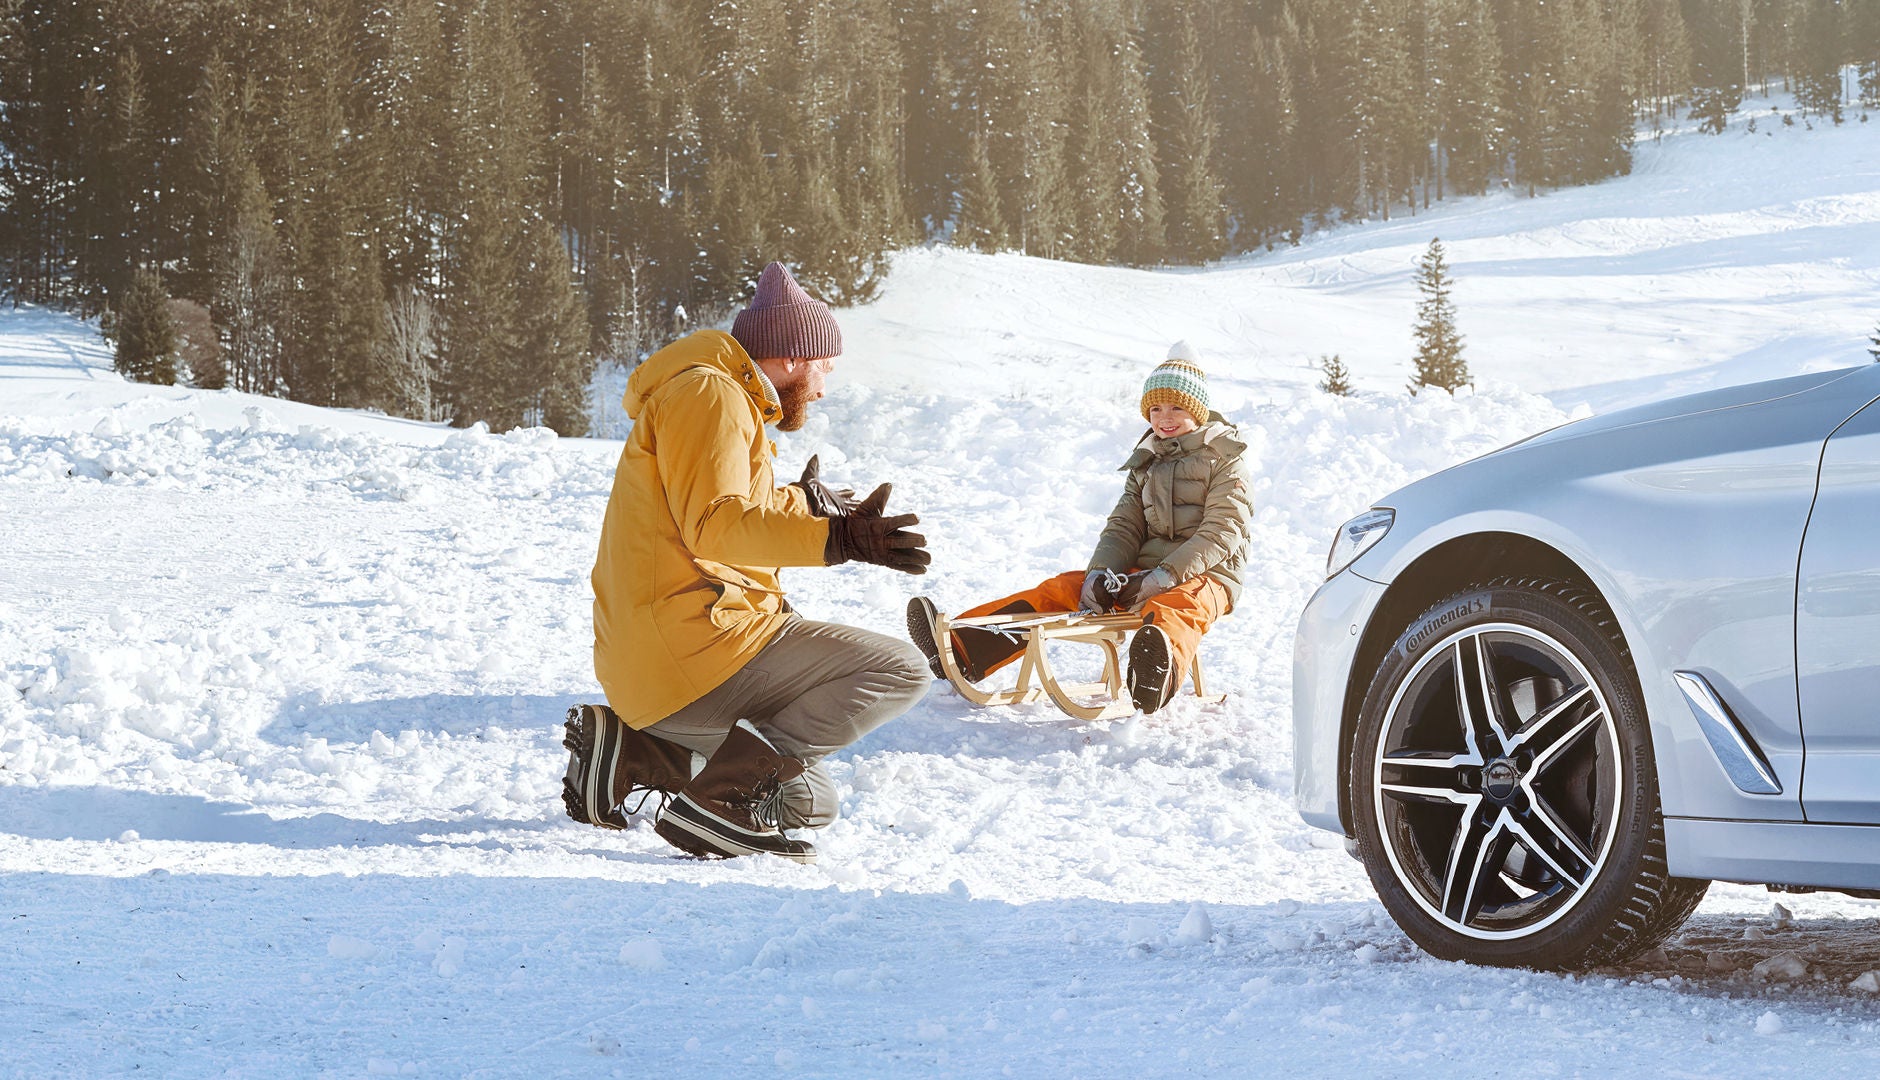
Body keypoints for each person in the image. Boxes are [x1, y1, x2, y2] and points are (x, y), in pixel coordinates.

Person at [564, 261, 932, 864]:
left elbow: (723, 502)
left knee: (812, 803)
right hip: (692, 645)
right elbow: (715, 525)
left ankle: (634, 754)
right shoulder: (708, 394)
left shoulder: (712, 395)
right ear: (791, 356)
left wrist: (805, 503)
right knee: (900, 670)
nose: (825, 381)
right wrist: (838, 541)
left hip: (663, 655)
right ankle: (720, 803)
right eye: (824, 364)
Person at [906, 344, 1253, 714]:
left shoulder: (1225, 459)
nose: (1164, 418)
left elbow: (1221, 532)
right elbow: (1123, 527)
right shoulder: (1147, 461)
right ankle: (960, 649)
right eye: (1155, 409)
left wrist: (1164, 576)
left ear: (1196, 410)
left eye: (1176, 408)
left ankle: (1155, 678)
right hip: (1145, 573)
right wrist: (1100, 574)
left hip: (1208, 577)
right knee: (1061, 589)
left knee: (1178, 605)